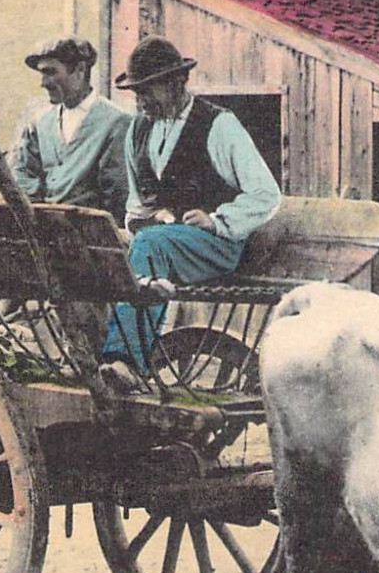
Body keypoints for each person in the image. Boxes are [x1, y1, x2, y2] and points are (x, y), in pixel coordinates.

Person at [98, 36, 282, 391]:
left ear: (175, 83)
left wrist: (216, 221)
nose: (141, 101)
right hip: (166, 242)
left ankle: (124, 360)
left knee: (151, 245)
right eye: (136, 92)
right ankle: (102, 354)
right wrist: (138, 224)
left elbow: (265, 193)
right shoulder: (138, 130)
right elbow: (139, 203)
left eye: (147, 90)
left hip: (219, 247)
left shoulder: (218, 125)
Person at [10, 36, 130, 213]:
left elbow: (116, 196)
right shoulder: (39, 123)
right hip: (43, 230)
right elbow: (25, 176)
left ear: (80, 70)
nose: (43, 83)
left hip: (92, 232)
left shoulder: (116, 123)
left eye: (50, 72)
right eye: (41, 74)